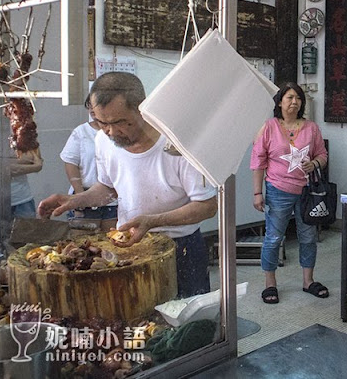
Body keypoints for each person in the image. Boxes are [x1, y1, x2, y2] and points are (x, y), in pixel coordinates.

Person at [38, 72, 217, 298]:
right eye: (101, 123)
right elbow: (108, 188)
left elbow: (207, 205)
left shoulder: (178, 143)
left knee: (187, 321)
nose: (111, 131)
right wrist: (73, 199)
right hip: (130, 246)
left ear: (141, 108)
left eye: (119, 123)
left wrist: (153, 222)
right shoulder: (104, 141)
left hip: (181, 248)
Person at [251, 82, 328, 305]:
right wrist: (257, 193)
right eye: (289, 97)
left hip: (307, 193)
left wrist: (314, 163)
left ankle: (308, 281)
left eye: (298, 98)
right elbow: (258, 162)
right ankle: (270, 284)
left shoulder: (311, 128)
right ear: (280, 102)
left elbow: (322, 154)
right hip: (277, 190)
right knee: (274, 238)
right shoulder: (269, 127)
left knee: (308, 237)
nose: (294, 102)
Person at [59, 94, 118, 229]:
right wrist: (80, 196)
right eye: (89, 106)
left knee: (111, 241)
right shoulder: (81, 132)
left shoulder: (117, 132)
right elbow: (70, 163)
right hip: (85, 195)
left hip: (113, 199)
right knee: (83, 244)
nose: (92, 109)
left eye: (95, 106)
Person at [0, 114, 43, 219]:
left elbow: (33, 157)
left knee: (27, 235)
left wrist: (0, 164)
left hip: (22, 200)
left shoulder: (13, 120)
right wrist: (35, 166)